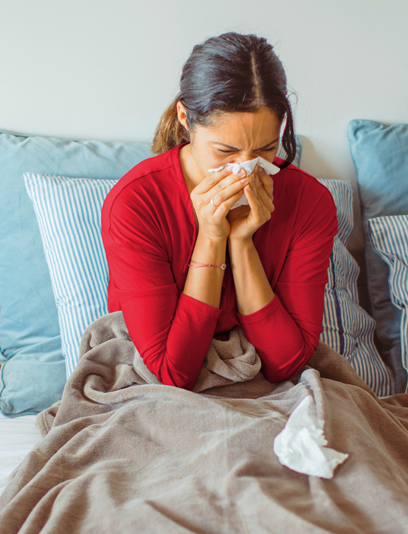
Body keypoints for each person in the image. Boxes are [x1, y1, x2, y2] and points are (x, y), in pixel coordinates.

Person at [101, 32, 337, 390]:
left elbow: (286, 363)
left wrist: (242, 244)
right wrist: (212, 237)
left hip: (270, 390)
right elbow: (173, 372)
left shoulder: (309, 202)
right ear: (184, 117)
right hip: (156, 391)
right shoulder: (136, 203)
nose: (246, 168)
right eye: (226, 151)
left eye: (265, 149)